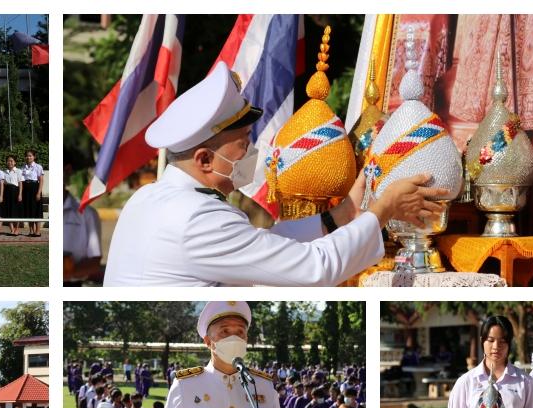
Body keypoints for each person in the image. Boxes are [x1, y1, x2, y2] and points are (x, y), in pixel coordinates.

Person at [103, 61, 448, 287]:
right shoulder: (198, 217)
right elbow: (314, 268)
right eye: (243, 143)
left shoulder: (151, 197)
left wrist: (340, 216)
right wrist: (383, 208)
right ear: (205, 159)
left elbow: (266, 246)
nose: (253, 153)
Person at [159, 301, 290, 408]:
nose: (234, 338)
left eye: (240, 332)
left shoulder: (261, 384)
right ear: (208, 342)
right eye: (225, 332)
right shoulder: (186, 385)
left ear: (246, 339)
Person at [446, 315, 533, 408]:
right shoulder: (466, 381)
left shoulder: (525, 381)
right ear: (482, 341)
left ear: (510, 343)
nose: (496, 347)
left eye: (502, 341)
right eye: (490, 340)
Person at [21, 149, 44, 236]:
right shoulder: (23, 167)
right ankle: (31, 230)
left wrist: (39, 192)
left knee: (37, 210)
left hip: (35, 188)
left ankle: (37, 231)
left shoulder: (38, 167)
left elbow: (41, 180)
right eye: (27, 155)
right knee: (29, 210)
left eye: (30, 155)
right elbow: (21, 180)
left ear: (34, 157)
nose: (28, 157)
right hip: (26, 189)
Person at [0, 155, 22, 236]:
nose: (10, 162)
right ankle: (12, 229)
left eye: (11, 161)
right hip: (7, 193)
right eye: (8, 161)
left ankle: (17, 229)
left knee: (17, 211)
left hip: (15, 192)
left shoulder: (18, 171)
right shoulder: (4, 172)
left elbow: (20, 183)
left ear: (15, 162)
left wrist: (20, 194)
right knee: (8, 211)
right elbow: (3, 184)